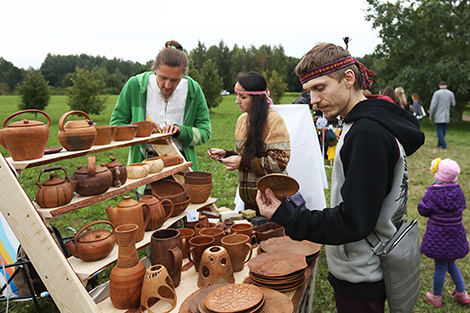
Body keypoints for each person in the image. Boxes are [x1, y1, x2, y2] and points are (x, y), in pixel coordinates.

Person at [255, 43, 425, 312]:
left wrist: (286, 216)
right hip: (363, 264)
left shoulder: (367, 134)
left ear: (348, 78)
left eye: (320, 88)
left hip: (363, 272)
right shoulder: (362, 123)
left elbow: (353, 221)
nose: (312, 100)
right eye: (309, 91)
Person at [110, 40, 211, 197]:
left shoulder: (193, 90)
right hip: (144, 167)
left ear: (183, 75)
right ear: (154, 70)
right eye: (163, 78)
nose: (168, 85)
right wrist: (139, 129)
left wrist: (181, 131)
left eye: (175, 80)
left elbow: (205, 132)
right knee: (148, 215)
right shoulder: (135, 86)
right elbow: (115, 126)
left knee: (181, 216)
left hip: (180, 165)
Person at [207, 72, 290, 213]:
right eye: (237, 95)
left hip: (271, 200)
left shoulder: (274, 121)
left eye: (243, 97)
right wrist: (227, 154)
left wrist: (242, 162)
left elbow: (279, 162)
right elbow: (247, 155)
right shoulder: (242, 120)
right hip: (249, 201)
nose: (237, 100)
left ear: (257, 99)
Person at [418, 158, 470, 307]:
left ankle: (436, 296)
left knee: (440, 265)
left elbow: (423, 210)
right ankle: (462, 293)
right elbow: (462, 206)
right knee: (451, 262)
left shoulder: (432, 191)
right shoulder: (458, 190)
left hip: (438, 235)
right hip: (455, 234)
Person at [429, 81, 456, 150]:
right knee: (443, 130)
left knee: (439, 130)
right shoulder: (450, 93)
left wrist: (431, 114)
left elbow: (433, 105)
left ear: (439, 86)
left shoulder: (437, 93)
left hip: (438, 114)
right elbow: (453, 103)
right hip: (446, 114)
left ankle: (444, 145)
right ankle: (439, 144)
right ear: (446, 86)